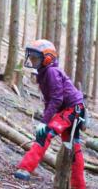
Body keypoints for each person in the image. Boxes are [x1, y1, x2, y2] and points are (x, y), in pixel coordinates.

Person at [14, 39, 86, 189]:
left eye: (35, 58)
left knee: (45, 134)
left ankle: (25, 168)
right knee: (72, 146)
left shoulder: (51, 72)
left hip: (73, 109)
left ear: (47, 58)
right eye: (31, 57)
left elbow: (57, 98)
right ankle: (79, 185)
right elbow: (50, 100)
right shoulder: (44, 73)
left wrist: (45, 122)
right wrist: (46, 117)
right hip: (72, 109)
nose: (32, 60)